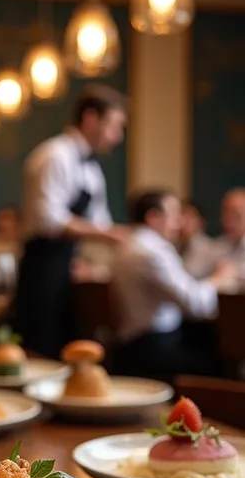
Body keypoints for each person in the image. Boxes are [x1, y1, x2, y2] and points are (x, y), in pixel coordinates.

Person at [14, 83, 128, 360]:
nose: (118, 137)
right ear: (90, 118)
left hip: (68, 267)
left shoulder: (92, 168)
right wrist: (109, 234)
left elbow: (99, 220)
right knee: (42, 350)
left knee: (70, 348)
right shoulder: (54, 155)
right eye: (114, 126)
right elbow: (49, 220)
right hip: (42, 267)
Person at [110, 188, 237, 378]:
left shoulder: (129, 245)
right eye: (174, 214)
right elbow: (195, 304)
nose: (179, 222)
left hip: (132, 344)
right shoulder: (153, 252)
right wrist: (218, 278)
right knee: (223, 364)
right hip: (151, 347)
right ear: (153, 218)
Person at [179, 202, 216, 279]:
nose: (183, 221)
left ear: (201, 222)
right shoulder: (175, 245)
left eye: (189, 217)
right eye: (181, 215)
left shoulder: (209, 248)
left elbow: (189, 275)